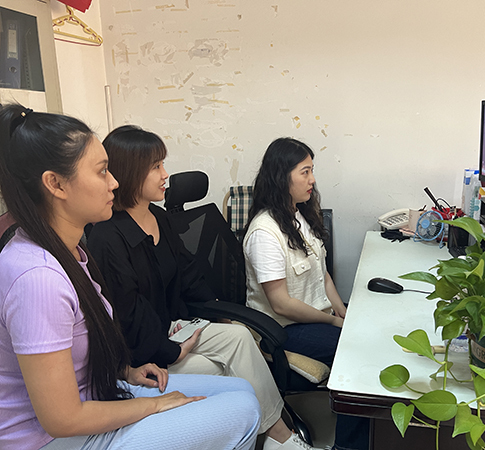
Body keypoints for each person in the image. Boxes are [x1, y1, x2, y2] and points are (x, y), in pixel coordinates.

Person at [0, 104, 261, 450]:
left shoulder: (72, 252)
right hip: (51, 439)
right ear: (56, 184)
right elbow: (62, 419)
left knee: (242, 390)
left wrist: (125, 372)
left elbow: (79, 353)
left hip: (99, 394)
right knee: (243, 410)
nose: (114, 182)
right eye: (102, 171)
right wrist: (152, 406)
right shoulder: (37, 277)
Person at [87, 125, 322, 450]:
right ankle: (278, 436)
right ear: (130, 172)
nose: (165, 175)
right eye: (156, 167)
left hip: (171, 328)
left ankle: (275, 434)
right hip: (142, 351)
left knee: (239, 336)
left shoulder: (159, 218)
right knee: (224, 369)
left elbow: (189, 274)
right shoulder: (107, 236)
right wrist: (171, 350)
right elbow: (128, 313)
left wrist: (220, 314)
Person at [243, 137, 369, 450]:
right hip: (283, 329)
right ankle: (348, 445)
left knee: (370, 326)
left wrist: (342, 311)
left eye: (312, 170)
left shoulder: (298, 215)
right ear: (282, 177)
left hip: (314, 316)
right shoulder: (265, 232)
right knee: (359, 351)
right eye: (305, 172)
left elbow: (321, 273)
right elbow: (281, 304)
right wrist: (334, 323)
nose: (312, 180)